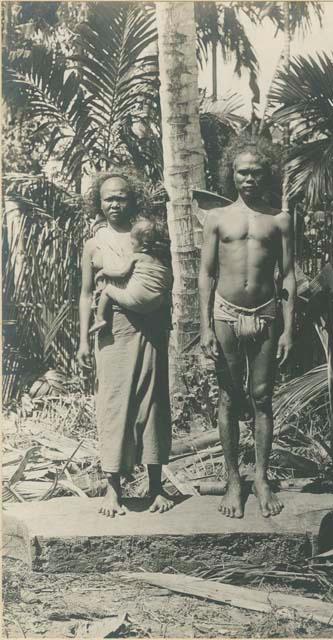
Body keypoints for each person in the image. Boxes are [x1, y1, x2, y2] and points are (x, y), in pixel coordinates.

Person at [198, 146, 296, 519]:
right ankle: (233, 479)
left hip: (267, 313)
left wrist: (288, 328)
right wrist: (205, 325)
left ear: (265, 175)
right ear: (232, 175)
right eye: (242, 173)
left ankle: (261, 478)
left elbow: (287, 275)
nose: (249, 179)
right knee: (228, 395)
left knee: (262, 397)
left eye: (256, 172)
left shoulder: (280, 221)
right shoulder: (217, 218)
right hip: (225, 312)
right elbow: (207, 274)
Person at [77, 174, 173, 517]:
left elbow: (161, 277)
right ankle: (112, 490)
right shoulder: (94, 243)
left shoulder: (145, 235)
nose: (114, 205)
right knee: (114, 404)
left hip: (149, 326)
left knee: (153, 401)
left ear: (133, 201)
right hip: (111, 330)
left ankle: (156, 487)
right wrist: (83, 342)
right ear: (98, 203)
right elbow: (86, 294)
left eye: (121, 198)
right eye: (107, 199)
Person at [89, 218, 172, 334]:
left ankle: (99, 319)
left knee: (107, 291)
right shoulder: (163, 263)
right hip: (155, 305)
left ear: (143, 247)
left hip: (136, 299)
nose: (131, 246)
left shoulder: (137, 257)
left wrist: (103, 272)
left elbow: (121, 273)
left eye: (132, 243)